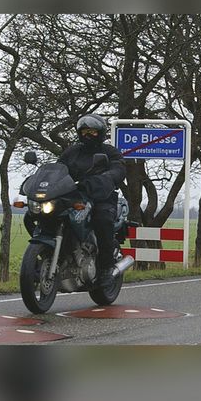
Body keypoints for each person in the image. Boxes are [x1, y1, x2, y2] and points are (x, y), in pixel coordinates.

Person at [57, 114, 126, 290]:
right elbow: (58, 168)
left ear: (101, 133)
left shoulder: (110, 152)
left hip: (101, 196)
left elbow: (118, 168)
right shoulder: (72, 152)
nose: (88, 135)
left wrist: (105, 178)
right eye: (84, 131)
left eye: (92, 132)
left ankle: (106, 269)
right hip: (74, 196)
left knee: (102, 220)